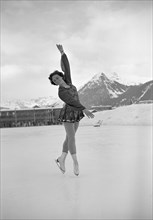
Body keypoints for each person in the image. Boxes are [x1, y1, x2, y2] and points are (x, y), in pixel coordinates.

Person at [48, 44, 94, 176]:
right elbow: (72, 101)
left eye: (57, 77)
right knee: (72, 138)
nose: (56, 80)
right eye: (54, 80)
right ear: (54, 83)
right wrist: (84, 109)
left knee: (69, 137)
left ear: (61, 76)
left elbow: (67, 68)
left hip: (76, 113)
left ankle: (61, 158)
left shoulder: (69, 81)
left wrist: (62, 53)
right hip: (68, 113)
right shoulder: (61, 92)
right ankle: (75, 162)